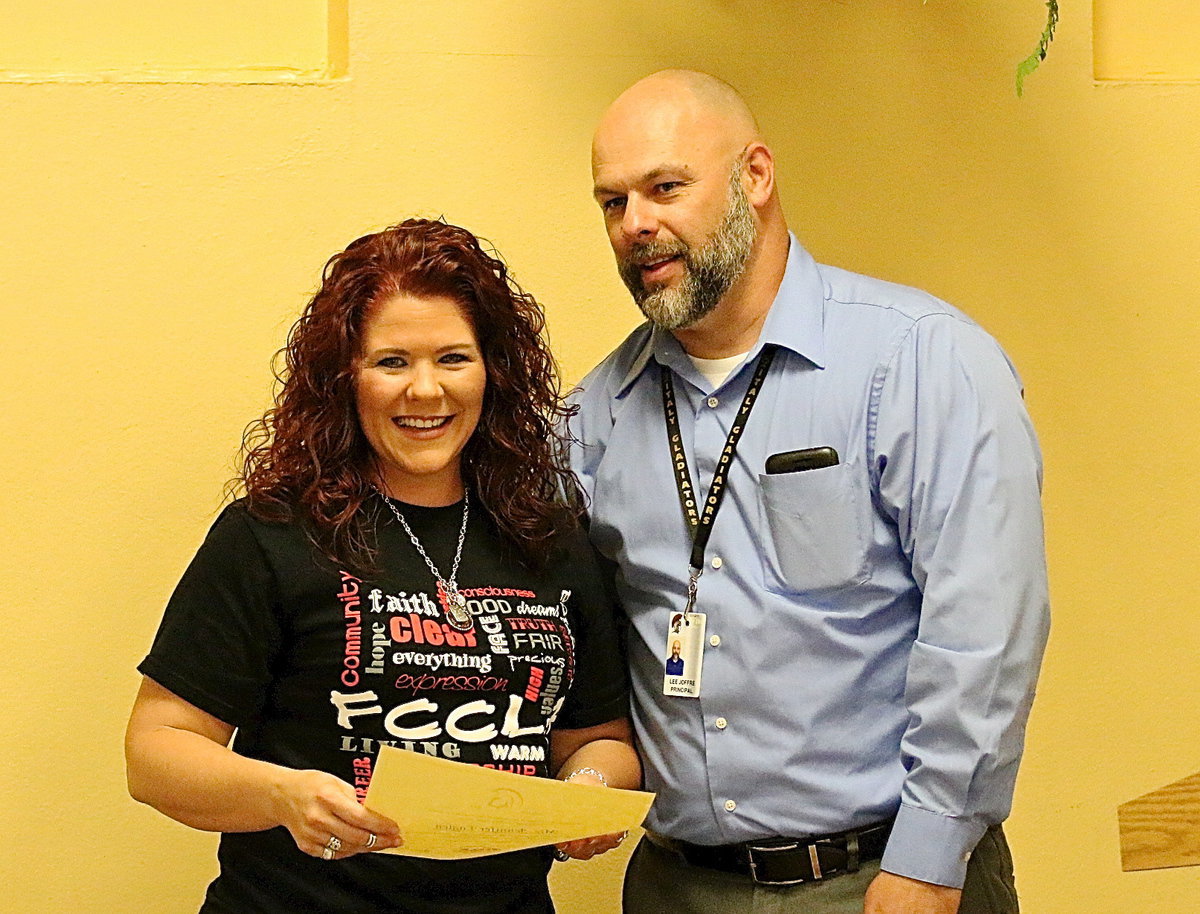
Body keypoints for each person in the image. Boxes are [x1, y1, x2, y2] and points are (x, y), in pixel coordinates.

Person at [569, 70, 1050, 914]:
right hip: (674, 886)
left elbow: (985, 629)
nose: (636, 224)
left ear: (755, 176)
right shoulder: (595, 412)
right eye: (613, 202)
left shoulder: (920, 361)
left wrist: (931, 859)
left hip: (879, 878)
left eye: (665, 187)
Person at [125, 218, 639, 914]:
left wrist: (587, 796)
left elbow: (600, 741)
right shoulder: (271, 535)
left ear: (494, 371)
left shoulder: (551, 541)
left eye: (453, 358)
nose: (425, 391)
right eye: (392, 362)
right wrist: (283, 794)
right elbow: (155, 753)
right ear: (346, 379)